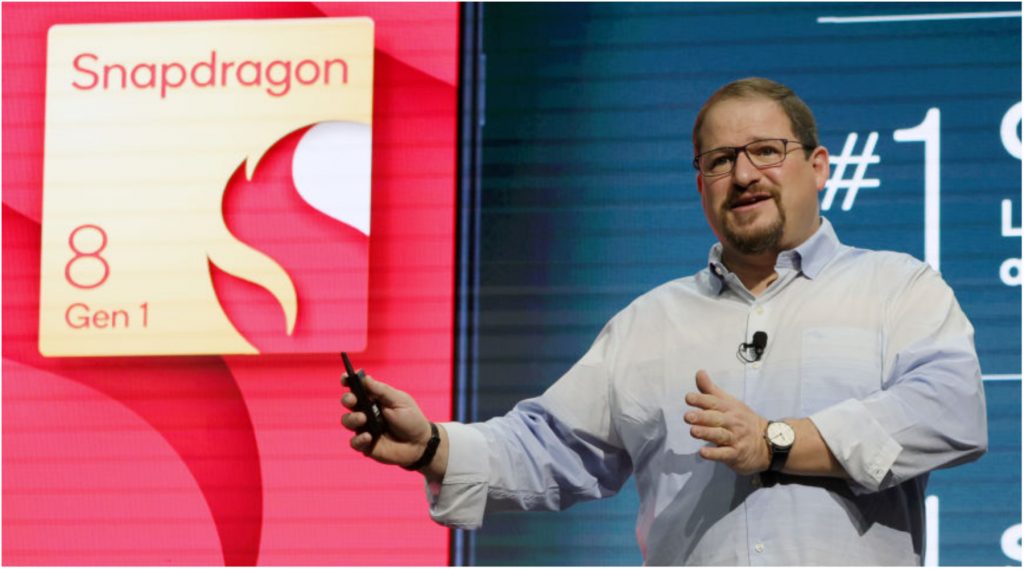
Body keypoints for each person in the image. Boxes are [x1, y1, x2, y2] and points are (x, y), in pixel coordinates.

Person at [340, 77, 988, 565]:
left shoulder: (896, 288)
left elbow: (950, 409)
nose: (743, 175)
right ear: (700, 184)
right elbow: (549, 446)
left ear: (819, 167)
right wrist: (432, 446)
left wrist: (777, 442)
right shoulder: (650, 323)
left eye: (766, 151)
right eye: (719, 160)